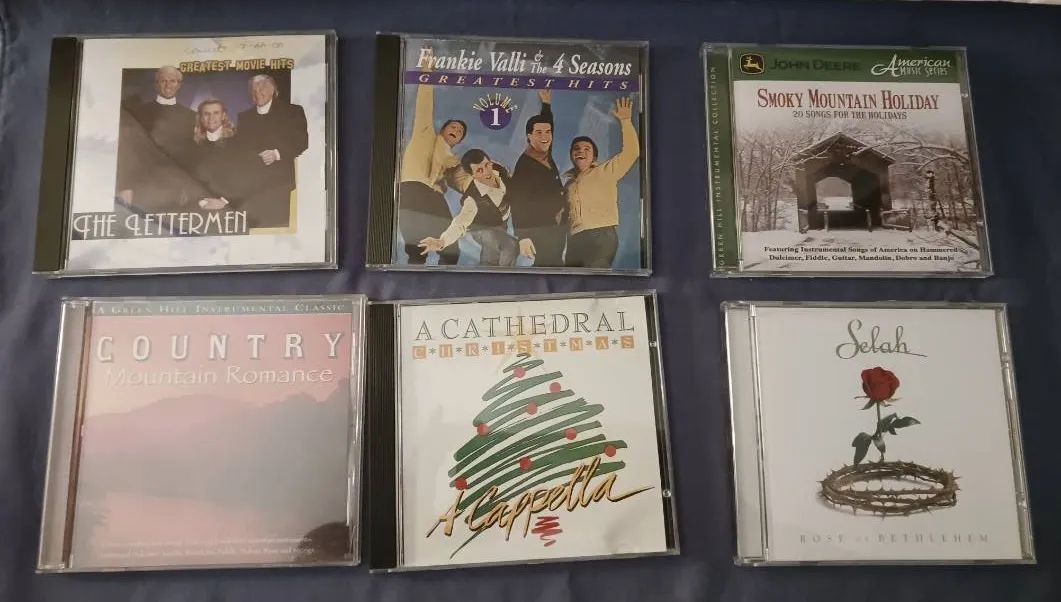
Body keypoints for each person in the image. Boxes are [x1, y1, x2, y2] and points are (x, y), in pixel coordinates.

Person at [397, 57, 471, 265]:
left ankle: (444, 280)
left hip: (433, 198)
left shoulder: (453, 162)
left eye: (460, 131)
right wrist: (427, 72)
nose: (456, 130)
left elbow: (466, 183)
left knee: (451, 251)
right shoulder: (426, 134)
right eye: (453, 127)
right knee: (416, 249)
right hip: (411, 189)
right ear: (443, 130)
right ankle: (412, 280)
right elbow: (424, 105)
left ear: (459, 141)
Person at [562, 96, 640, 268]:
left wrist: (625, 121)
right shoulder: (568, 185)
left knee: (595, 277)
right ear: (571, 155)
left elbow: (632, 152)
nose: (580, 151)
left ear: (594, 156)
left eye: (586, 149)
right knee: (571, 280)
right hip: (575, 240)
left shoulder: (605, 172)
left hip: (601, 236)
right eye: (576, 149)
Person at [417, 149, 523, 267]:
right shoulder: (472, 198)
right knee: (510, 245)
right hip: (480, 229)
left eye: (487, 165)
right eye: (479, 170)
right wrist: (442, 241)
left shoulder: (500, 171)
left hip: (500, 225)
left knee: (491, 259)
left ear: (491, 162)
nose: (487, 172)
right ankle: (505, 277)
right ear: (473, 176)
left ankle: (485, 274)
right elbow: (460, 222)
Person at [116, 65, 197, 212]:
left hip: (177, 185)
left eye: (172, 81)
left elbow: (190, 155)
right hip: (143, 183)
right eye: (163, 81)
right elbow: (128, 151)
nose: (168, 85)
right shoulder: (139, 112)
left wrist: (188, 187)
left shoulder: (191, 116)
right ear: (156, 84)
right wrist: (126, 186)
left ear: (179, 85)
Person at [235, 74, 308, 228]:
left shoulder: (292, 111)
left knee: (277, 230)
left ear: (273, 89)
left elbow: (301, 141)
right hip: (251, 185)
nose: (257, 92)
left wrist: (276, 154)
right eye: (253, 90)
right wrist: (253, 158)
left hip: (280, 184)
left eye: (261, 88)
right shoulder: (244, 117)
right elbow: (239, 148)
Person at [508, 89, 567, 267]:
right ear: (529, 136)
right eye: (539, 133)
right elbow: (517, 201)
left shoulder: (544, 152)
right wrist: (523, 236)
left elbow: (547, 124)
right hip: (540, 229)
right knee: (549, 265)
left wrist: (546, 104)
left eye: (548, 132)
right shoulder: (525, 165)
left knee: (554, 264)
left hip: (555, 227)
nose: (545, 137)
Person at [189, 98, 250, 212]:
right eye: (206, 114)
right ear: (201, 118)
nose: (211, 118)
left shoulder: (239, 142)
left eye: (216, 113)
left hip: (232, 206)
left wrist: (224, 202)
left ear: (223, 116)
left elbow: (247, 177)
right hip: (199, 206)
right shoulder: (193, 146)